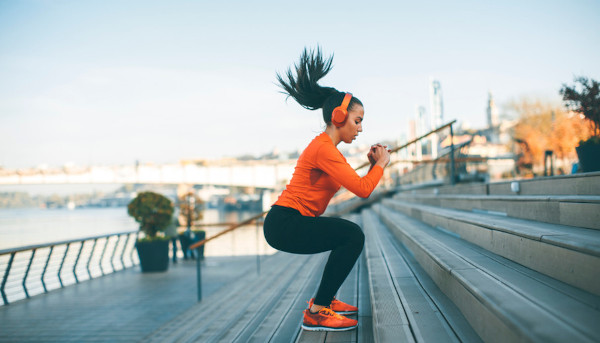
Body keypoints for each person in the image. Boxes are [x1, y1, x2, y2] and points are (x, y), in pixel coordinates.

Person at [263, 47, 391, 332]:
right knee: (351, 235)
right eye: (357, 121)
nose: (359, 129)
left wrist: (373, 167)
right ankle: (318, 311)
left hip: (289, 221)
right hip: (284, 223)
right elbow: (362, 190)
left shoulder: (328, 150)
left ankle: (324, 302)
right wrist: (381, 164)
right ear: (338, 117)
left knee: (346, 236)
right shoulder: (324, 149)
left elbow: (358, 183)